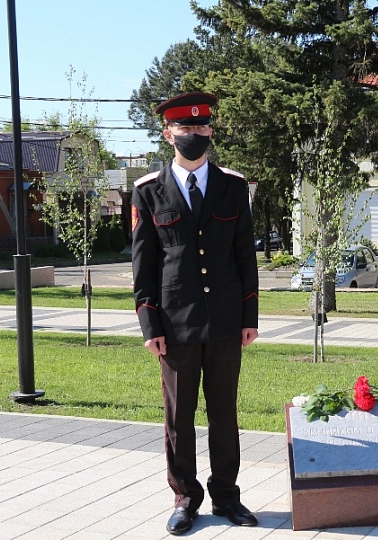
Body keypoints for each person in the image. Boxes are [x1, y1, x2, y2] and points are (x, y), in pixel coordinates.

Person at [131, 91, 261, 535]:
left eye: (201, 126)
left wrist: (249, 318)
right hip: (174, 324)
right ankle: (185, 497)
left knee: (224, 413)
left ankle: (226, 496)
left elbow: (245, 257)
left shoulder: (233, 186)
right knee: (178, 417)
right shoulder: (148, 190)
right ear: (168, 134)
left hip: (225, 322)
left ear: (210, 131)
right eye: (185, 127)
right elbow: (144, 265)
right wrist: (149, 323)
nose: (194, 133)